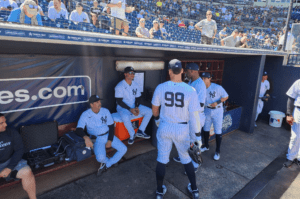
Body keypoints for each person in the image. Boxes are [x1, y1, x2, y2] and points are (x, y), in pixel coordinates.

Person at [152, 59, 201, 199]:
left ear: (169, 71)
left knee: (162, 159)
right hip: (182, 128)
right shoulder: (190, 90)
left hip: (165, 126)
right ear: (182, 71)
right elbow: (194, 116)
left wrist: (157, 120)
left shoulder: (160, 87)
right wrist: (197, 136)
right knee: (186, 159)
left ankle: (159, 191)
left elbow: (155, 109)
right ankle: (195, 190)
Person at [75, 95, 127, 176]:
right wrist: (86, 137)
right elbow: (79, 129)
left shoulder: (105, 111)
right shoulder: (85, 114)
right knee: (100, 158)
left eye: (99, 101)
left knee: (123, 149)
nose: (100, 103)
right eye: (97, 102)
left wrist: (110, 140)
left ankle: (106, 164)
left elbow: (111, 126)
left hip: (108, 134)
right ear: (92, 104)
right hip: (97, 139)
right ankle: (109, 161)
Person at [173, 63, 206, 173]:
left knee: (194, 142)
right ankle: (184, 157)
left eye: (187, 70)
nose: (186, 72)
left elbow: (200, 104)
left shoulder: (200, 84)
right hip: (189, 116)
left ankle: (195, 164)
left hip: (196, 117)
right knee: (185, 140)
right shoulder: (192, 81)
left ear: (193, 71)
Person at [0, 113, 37, 199]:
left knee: (27, 172)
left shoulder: (11, 132)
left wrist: (9, 168)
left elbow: (19, 150)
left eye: (5, 121)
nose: (5, 124)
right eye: (1, 123)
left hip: (9, 161)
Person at [115, 66, 152, 145]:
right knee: (125, 117)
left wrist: (136, 107)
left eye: (133, 73)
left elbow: (138, 98)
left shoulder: (135, 84)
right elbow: (119, 101)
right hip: (123, 107)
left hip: (133, 105)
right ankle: (132, 135)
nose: (132, 75)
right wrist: (130, 109)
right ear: (125, 74)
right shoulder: (119, 86)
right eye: (130, 73)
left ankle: (140, 131)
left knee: (149, 111)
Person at [201, 72, 228, 160]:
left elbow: (226, 96)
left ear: (209, 79)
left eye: (205, 78)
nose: (203, 80)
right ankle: (206, 146)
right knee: (206, 128)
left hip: (217, 110)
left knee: (218, 130)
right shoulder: (201, 88)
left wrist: (217, 102)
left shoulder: (217, 87)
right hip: (207, 109)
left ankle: (218, 150)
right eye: (202, 78)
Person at [284, 79, 300, 168]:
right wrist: (289, 114)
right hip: (298, 111)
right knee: (295, 136)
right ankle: (290, 157)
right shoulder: (299, 82)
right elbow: (291, 98)